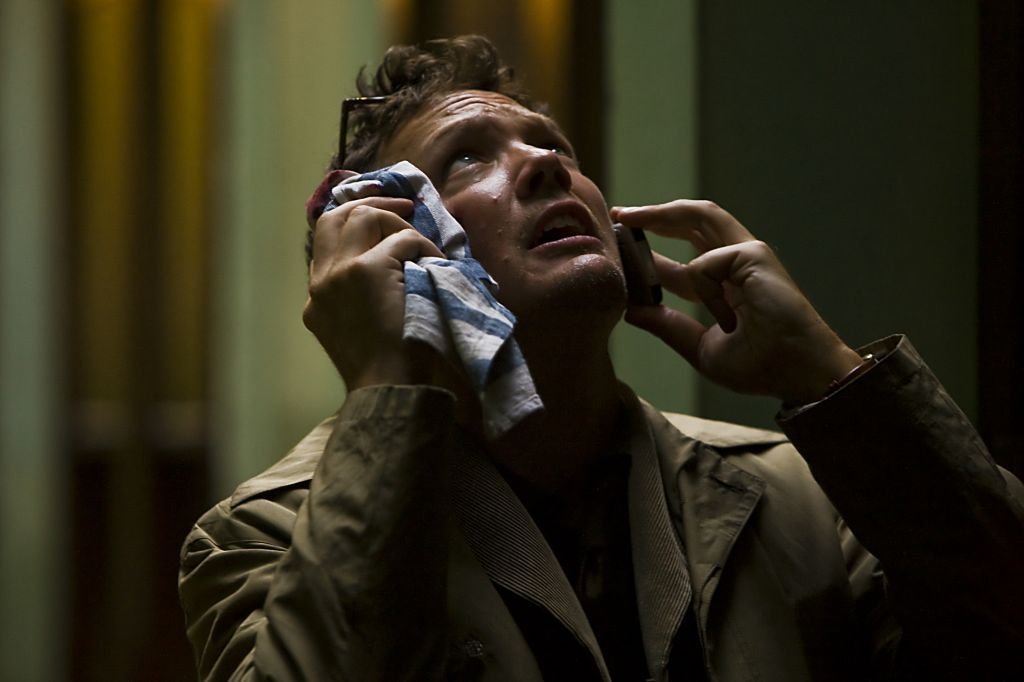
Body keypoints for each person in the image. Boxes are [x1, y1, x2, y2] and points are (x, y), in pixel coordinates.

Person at [179, 35, 1024, 681]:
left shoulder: (798, 498)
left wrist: (829, 376)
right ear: (392, 249)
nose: (545, 164)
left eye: (554, 146)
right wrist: (384, 380)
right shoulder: (263, 535)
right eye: (468, 155)